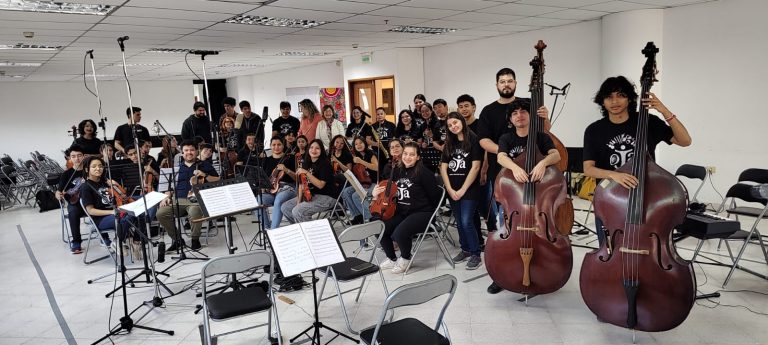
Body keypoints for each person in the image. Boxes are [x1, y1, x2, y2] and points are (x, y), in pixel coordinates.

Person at [583, 76, 691, 245]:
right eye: (609, 97)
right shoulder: (594, 130)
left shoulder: (647, 121)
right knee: (609, 248)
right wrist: (615, 175)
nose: (615, 101)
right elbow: (588, 169)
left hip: (646, 197)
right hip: (610, 199)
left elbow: (685, 141)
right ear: (602, 101)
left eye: (620, 95)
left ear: (629, 98)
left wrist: (664, 110)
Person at [372, 142, 441, 274]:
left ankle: (405, 258)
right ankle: (392, 258)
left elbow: (436, 197)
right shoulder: (399, 170)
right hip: (403, 212)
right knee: (379, 228)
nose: (407, 157)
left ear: (418, 157)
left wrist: (428, 212)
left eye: (412, 154)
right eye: (405, 154)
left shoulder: (424, 173)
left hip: (422, 213)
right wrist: (375, 194)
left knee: (399, 233)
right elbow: (389, 189)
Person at [156, 140, 220, 251]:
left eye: (192, 150)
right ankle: (177, 240)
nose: (189, 152)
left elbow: (217, 180)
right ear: (182, 152)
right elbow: (170, 186)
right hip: (178, 200)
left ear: (196, 152)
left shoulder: (204, 165)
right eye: (186, 150)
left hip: (196, 200)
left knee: (194, 212)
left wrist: (204, 174)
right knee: (161, 213)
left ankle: (195, 239)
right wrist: (166, 197)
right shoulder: (176, 168)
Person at [440, 112, 483, 270]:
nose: (453, 127)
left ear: (462, 121)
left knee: (466, 221)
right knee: (458, 222)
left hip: (470, 189)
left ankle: (475, 254)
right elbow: (443, 168)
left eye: (455, 123)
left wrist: (463, 189)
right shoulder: (449, 143)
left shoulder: (474, 140)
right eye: (450, 125)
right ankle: (464, 249)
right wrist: (450, 189)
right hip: (453, 189)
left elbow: (476, 166)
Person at [79, 156, 139, 256]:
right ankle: (118, 241)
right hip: (101, 219)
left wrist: (115, 184)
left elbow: (121, 196)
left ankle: (134, 241)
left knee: (139, 211)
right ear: (87, 169)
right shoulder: (86, 187)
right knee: (127, 217)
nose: (98, 168)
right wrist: (112, 212)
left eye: (100, 166)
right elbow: (91, 210)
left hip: (116, 212)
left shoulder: (105, 182)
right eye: (94, 166)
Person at [281, 139, 337, 223]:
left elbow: (320, 185)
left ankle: (310, 233)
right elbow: (301, 184)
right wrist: (299, 202)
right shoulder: (305, 163)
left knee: (298, 211)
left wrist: (307, 173)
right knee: (285, 207)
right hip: (311, 195)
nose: (314, 150)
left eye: (317, 148)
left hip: (327, 197)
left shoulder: (325, 164)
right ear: (308, 149)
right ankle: (300, 228)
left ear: (321, 150)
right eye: (311, 147)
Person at [256, 136, 297, 230]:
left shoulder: (290, 159)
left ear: (283, 146)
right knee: (257, 201)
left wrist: (286, 170)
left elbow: (297, 178)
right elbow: (264, 179)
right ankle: (267, 229)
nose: (276, 147)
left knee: (279, 200)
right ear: (270, 146)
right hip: (271, 189)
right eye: (273, 145)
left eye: (279, 144)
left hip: (287, 188)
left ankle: (273, 232)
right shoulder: (266, 160)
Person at [340, 136, 378, 224]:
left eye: (360, 143)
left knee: (356, 195)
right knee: (346, 192)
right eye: (356, 144)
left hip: (373, 183)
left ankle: (371, 218)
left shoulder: (371, 154)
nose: (359, 145)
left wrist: (361, 161)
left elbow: (376, 167)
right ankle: (357, 216)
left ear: (365, 143)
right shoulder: (355, 156)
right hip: (361, 183)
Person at [56, 145, 86, 253]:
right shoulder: (66, 174)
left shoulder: (90, 170)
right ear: (70, 158)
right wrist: (58, 194)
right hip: (75, 202)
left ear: (84, 156)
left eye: (79, 156)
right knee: (73, 212)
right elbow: (59, 191)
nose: (77, 158)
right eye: (73, 156)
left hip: (90, 201)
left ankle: (104, 236)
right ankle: (76, 241)